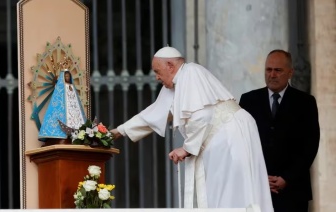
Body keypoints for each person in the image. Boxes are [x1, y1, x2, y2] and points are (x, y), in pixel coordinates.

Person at [110, 47, 273, 211]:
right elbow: (155, 113)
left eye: (158, 71)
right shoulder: (176, 83)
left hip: (231, 134)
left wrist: (186, 149)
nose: (156, 77)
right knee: (223, 192)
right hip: (221, 137)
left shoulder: (191, 72)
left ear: (170, 66)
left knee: (234, 191)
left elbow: (202, 116)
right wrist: (119, 131)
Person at [239, 49, 320, 212]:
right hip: (257, 189)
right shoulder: (248, 101)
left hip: (293, 191)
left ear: (290, 72)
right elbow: (240, 142)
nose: (272, 75)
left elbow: (310, 146)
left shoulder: (305, 102)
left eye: (278, 70)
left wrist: (286, 178)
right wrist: (260, 176)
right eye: (268, 70)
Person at [38, 69, 87, 141]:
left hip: (73, 109)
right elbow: (57, 101)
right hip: (64, 109)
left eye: (68, 76)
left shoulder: (72, 87)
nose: (67, 78)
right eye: (66, 76)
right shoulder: (60, 88)